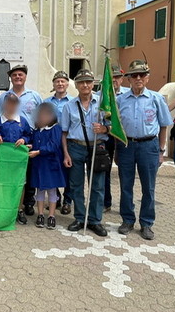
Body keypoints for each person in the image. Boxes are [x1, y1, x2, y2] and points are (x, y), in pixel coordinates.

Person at [116, 60, 173, 240]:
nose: (138, 78)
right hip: (126, 146)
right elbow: (115, 126)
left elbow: (164, 125)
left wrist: (161, 151)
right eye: (134, 75)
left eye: (142, 75)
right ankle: (127, 220)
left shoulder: (156, 99)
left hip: (149, 146)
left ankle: (147, 223)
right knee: (126, 185)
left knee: (149, 187)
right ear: (129, 79)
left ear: (147, 78)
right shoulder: (120, 100)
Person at [61, 69, 110, 237]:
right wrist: (66, 154)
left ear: (93, 84)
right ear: (76, 85)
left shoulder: (103, 103)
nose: (85, 85)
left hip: (97, 147)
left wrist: (104, 128)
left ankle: (95, 220)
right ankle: (80, 217)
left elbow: (114, 127)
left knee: (97, 186)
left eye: (88, 82)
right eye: (81, 82)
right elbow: (64, 133)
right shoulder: (69, 106)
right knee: (76, 185)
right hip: (75, 147)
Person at [0, 65, 43, 217]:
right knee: (10, 173)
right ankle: (10, 202)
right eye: (14, 75)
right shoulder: (3, 96)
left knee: (28, 172)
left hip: (29, 138)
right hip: (9, 142)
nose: (18, 77)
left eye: (20, 74)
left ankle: (28, 203)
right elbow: (0, 117)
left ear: (25, 77)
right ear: (11, 78)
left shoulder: (34, 96)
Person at [0, 93, 32, 225]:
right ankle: (5, 209)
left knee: (19, 184)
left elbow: (28, 135)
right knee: (3, 184)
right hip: (3, 160)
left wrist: (24, 139)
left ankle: (19, 209)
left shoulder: (22, 121)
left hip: (18, 161)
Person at [29, 103, 65, 230]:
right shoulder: (37, 130)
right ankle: (40, 214)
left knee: (51, 190)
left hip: (50, 164)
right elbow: (35, 143)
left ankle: (51, 215)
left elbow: (54, 146)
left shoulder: (55, 128)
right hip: (39, 165)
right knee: (40, 190)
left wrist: (39, 151)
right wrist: (31, 147)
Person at [44, 70, 74, 214]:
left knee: (69, 171)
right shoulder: (47, 102)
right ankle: (55, 198)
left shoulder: (74, 102)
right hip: (51, 141)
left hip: (69, 140)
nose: (60, 84)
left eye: (63, 81)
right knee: (52, 169)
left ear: (67, 84)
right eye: (57, 81)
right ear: (54, 84)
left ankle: (68, 200)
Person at [101, 65, 130, 213]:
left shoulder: (127, 95)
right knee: (104, 170)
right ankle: (106, 202)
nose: (114, 80)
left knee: (125, 172)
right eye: (111, 77)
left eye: (117, 77)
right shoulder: (101, 96)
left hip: (124, 138)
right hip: (106, 138)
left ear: (122, 79)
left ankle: (126, 207)